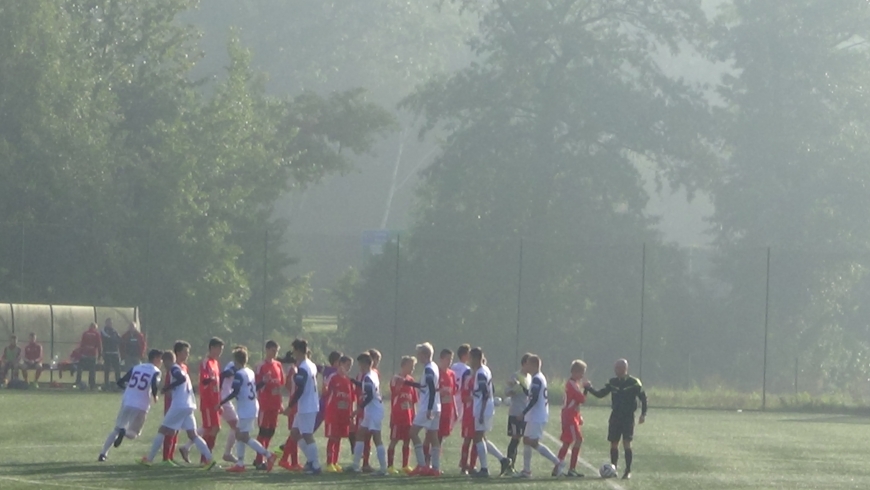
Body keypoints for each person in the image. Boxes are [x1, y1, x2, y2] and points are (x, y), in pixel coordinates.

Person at [139, 342, 217, 470]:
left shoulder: (175, 368)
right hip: (189, 404)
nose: (163, 364)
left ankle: (149, 459)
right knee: (193, 435)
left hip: (180, 405)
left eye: (164, 361)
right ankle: (209, 459)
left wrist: (167, 387)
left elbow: (180, 379)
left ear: (167, 360)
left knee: (162, 430)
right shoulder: (181, 368)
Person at [584, 358, 647, 480]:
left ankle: (627, 470)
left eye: (618, 368)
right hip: (615, 416)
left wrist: (643, 414)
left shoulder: (634, 382)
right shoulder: (613, 382)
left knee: (627, 442)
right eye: (615, 368)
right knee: (614, 443)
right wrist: (589, 388)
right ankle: (614, 468)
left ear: (624, 368)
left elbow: (643, 398)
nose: (616, 370)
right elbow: (601, 394)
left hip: (628, 417)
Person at [218, 347, 279, 473]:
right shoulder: (249, 371)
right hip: (251, 406)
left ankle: (268, 455)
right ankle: (240, 464)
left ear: (236, 360)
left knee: (242, 436)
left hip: (246, 408)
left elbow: (235, 392)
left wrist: (221, 403)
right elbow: (254, 387)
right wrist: (263, 382)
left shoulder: (239, 374)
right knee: (240, 435)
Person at [98, 349, 163, 461]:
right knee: (134, 433)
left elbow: (120, 381)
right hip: (141, 404)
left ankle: (103, 454)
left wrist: (129, 390)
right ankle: (124, 432)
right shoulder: (156, 371)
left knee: (116, 428)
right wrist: (155, 395)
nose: (161, 361)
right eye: (160, 359)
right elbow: (154, 384)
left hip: (127, 401)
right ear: (156, 358)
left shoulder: (136, 367)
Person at [515, 354, 564, 478]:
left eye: (528, 364)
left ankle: (557, 462)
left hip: (537, 415)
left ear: (534, 365)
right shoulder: (537, 378)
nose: (527, 367)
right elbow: (533, 394)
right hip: (535, 415)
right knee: (526, 440)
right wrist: (522, 386)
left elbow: (535, 398)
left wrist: (523, 412)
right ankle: (526, 471)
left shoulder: (537, 379)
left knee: (532, 442)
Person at [468, 347, 512, 478]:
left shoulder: (481, 373)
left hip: (483, 409)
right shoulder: (485, 370)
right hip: (486, 408)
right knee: (481, 438)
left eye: (471, 358)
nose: (470, 361)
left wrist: (481, 413)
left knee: (477, 438)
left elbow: (485, 394)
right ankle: (503, 460)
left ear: (476, 358)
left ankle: (484, 469)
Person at [180, 337, 224, 464]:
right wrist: (208, 380)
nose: (219, 352)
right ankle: (205, 459)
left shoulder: (215, 363)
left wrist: (219, 402)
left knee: (213, 428)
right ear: (212, 348)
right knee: (212, 428)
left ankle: (198, 453)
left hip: (215, 402)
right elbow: (204, 380)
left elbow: (216, 385)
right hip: (208, 402)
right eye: (218, 349)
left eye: (221, 349)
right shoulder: (206, 362)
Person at [284, 338, 322, 474]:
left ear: (299, 350)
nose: (293, 353)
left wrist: (290, 406)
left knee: (307, 435)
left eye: (294, 350)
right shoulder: (310, 364)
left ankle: (315, 464)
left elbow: (300, 389)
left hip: (307, 406)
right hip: (306, 405)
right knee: (295, 433)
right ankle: (311, 461)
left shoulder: (304, 367)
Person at [348, 352, 387, 475]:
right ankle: (355, 466)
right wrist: (353, 381)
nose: (359, 366)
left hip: (374, 410)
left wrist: (358, 409)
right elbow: (367, 387)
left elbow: (369, 395)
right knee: (360, 434)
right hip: (371, 410)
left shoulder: (368, 376)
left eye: (360, 364)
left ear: (365, 364)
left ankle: (383, 469)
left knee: (377, 438)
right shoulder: (371, 375)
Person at [407, 342, 441, 476]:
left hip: (429, 406)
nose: (418, 357)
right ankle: (435, 468)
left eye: (420, 354)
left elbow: (432, 389)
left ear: (425, 355)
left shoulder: (429, 369)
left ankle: (422, 465)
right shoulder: (433, 367)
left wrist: (428, 408)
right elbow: (425, 386)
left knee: (413, 433)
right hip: (436, 406)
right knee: (433, 436)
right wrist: (405, 382)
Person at [253, 340, 285, 468]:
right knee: (263, 431)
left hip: (275, 404)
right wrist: (263, 381)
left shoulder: (278, 365)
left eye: (276, 351)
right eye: (273, 350)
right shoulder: (261, 366)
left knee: (271, 431)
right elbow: (255, 385)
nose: (275, 353)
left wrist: (281, 402)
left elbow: (280, 384)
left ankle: (263, 456)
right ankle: (259, 459)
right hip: (264, 404)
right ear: (267, 350)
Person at [557, 360, 587, 477]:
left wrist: (579, 417)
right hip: (570, 416)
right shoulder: (572, 384)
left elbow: (575, 402)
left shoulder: (572, 384)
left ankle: (557, 467)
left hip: (570, 415)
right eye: (581, 372)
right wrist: (587, 389)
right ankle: (571, 469)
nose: (582, 375)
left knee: (567, 442)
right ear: (575, 372)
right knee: (577, 440)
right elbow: (581, 399)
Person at [324, 355, 354, 472]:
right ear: (340, 364)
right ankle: (329, 463)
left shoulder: (348, 380)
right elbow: (324, 390)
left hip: (344, 414)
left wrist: (350, 415)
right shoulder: (333, 377)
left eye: (350, 366)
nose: (348, 368)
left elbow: (350, 399)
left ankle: (335, 462)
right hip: (333, 413)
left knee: (339, 439)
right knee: (332, 438)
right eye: (347, 365)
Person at [387, 355, 417, 475]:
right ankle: (390, 465)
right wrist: (401, 382)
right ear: (404, 365)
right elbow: (395, 391)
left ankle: (405, 465)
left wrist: (413, 415)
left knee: (407, 441)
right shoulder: (395, 378)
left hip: (408, 417)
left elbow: (413, 400)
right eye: (411, 366)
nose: (413, 368)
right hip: (397, 416)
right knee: (394, 440)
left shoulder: (411, 380)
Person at [505, 353, 531, 470]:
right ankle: (509, 466)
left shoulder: (529, 377)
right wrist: (515, 388)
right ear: (524, 363)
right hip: (516, 412)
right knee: (515, 438)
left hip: (525, 413)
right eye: (530, 363)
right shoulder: (516, 375)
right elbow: (507, 392)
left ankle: (513, 466)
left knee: (520, 439)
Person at [278, 352, 303, 471]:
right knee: (295, 434)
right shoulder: (296, 370)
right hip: (296, 405)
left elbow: (288, 385)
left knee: (296, 434)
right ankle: (284, 458)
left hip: (295, 403)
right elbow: (289, 385)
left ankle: (294, 462)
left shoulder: (294, 369)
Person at [458, 351, 478, 475]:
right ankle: (464, 464)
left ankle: (472, 465)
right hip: (469, 412)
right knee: (467, 439)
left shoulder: (481, 375)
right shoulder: (468, 375)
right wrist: (472, 398)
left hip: (477, 411)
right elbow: (464, 395)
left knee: (477, 439)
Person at [218, 352, 240, 463]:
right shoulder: (233, 365)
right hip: (224, 400)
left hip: (224, 398)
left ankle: (187, 446)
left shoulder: (234, 366)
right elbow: (223, 375)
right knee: (236, 425)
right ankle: (227, 453)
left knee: (210, 427)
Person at [315, 350, 342, 433]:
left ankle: (296, 441)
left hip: (322, 400)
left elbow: (318, 367)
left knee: (314, 425)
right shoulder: (336, 372)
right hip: (330, 402)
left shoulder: (326, 369)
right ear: (337, 361)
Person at [76, 323, 102, 390]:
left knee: (80, 369)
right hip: (92, 355)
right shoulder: (96, 334)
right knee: (92, 371)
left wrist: (80, 354)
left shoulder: (85, 333)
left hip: (84, 354)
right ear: (95, 327)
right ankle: (92, 385)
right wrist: (99, 355)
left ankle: (78, 383)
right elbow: (99, 345)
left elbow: (82, 344)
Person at [101, 320, 122, 389]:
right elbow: (106, 339)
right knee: (107, 369)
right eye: (108, 323)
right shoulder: (103, 331)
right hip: (107, 353)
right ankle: (106, 384)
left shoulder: (114, 331)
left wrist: (113, 340)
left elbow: (119, 340)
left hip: (115, 353)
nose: (110, 324)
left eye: (110, 323)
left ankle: (118, 384)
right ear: (106, 323)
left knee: (117, 369)